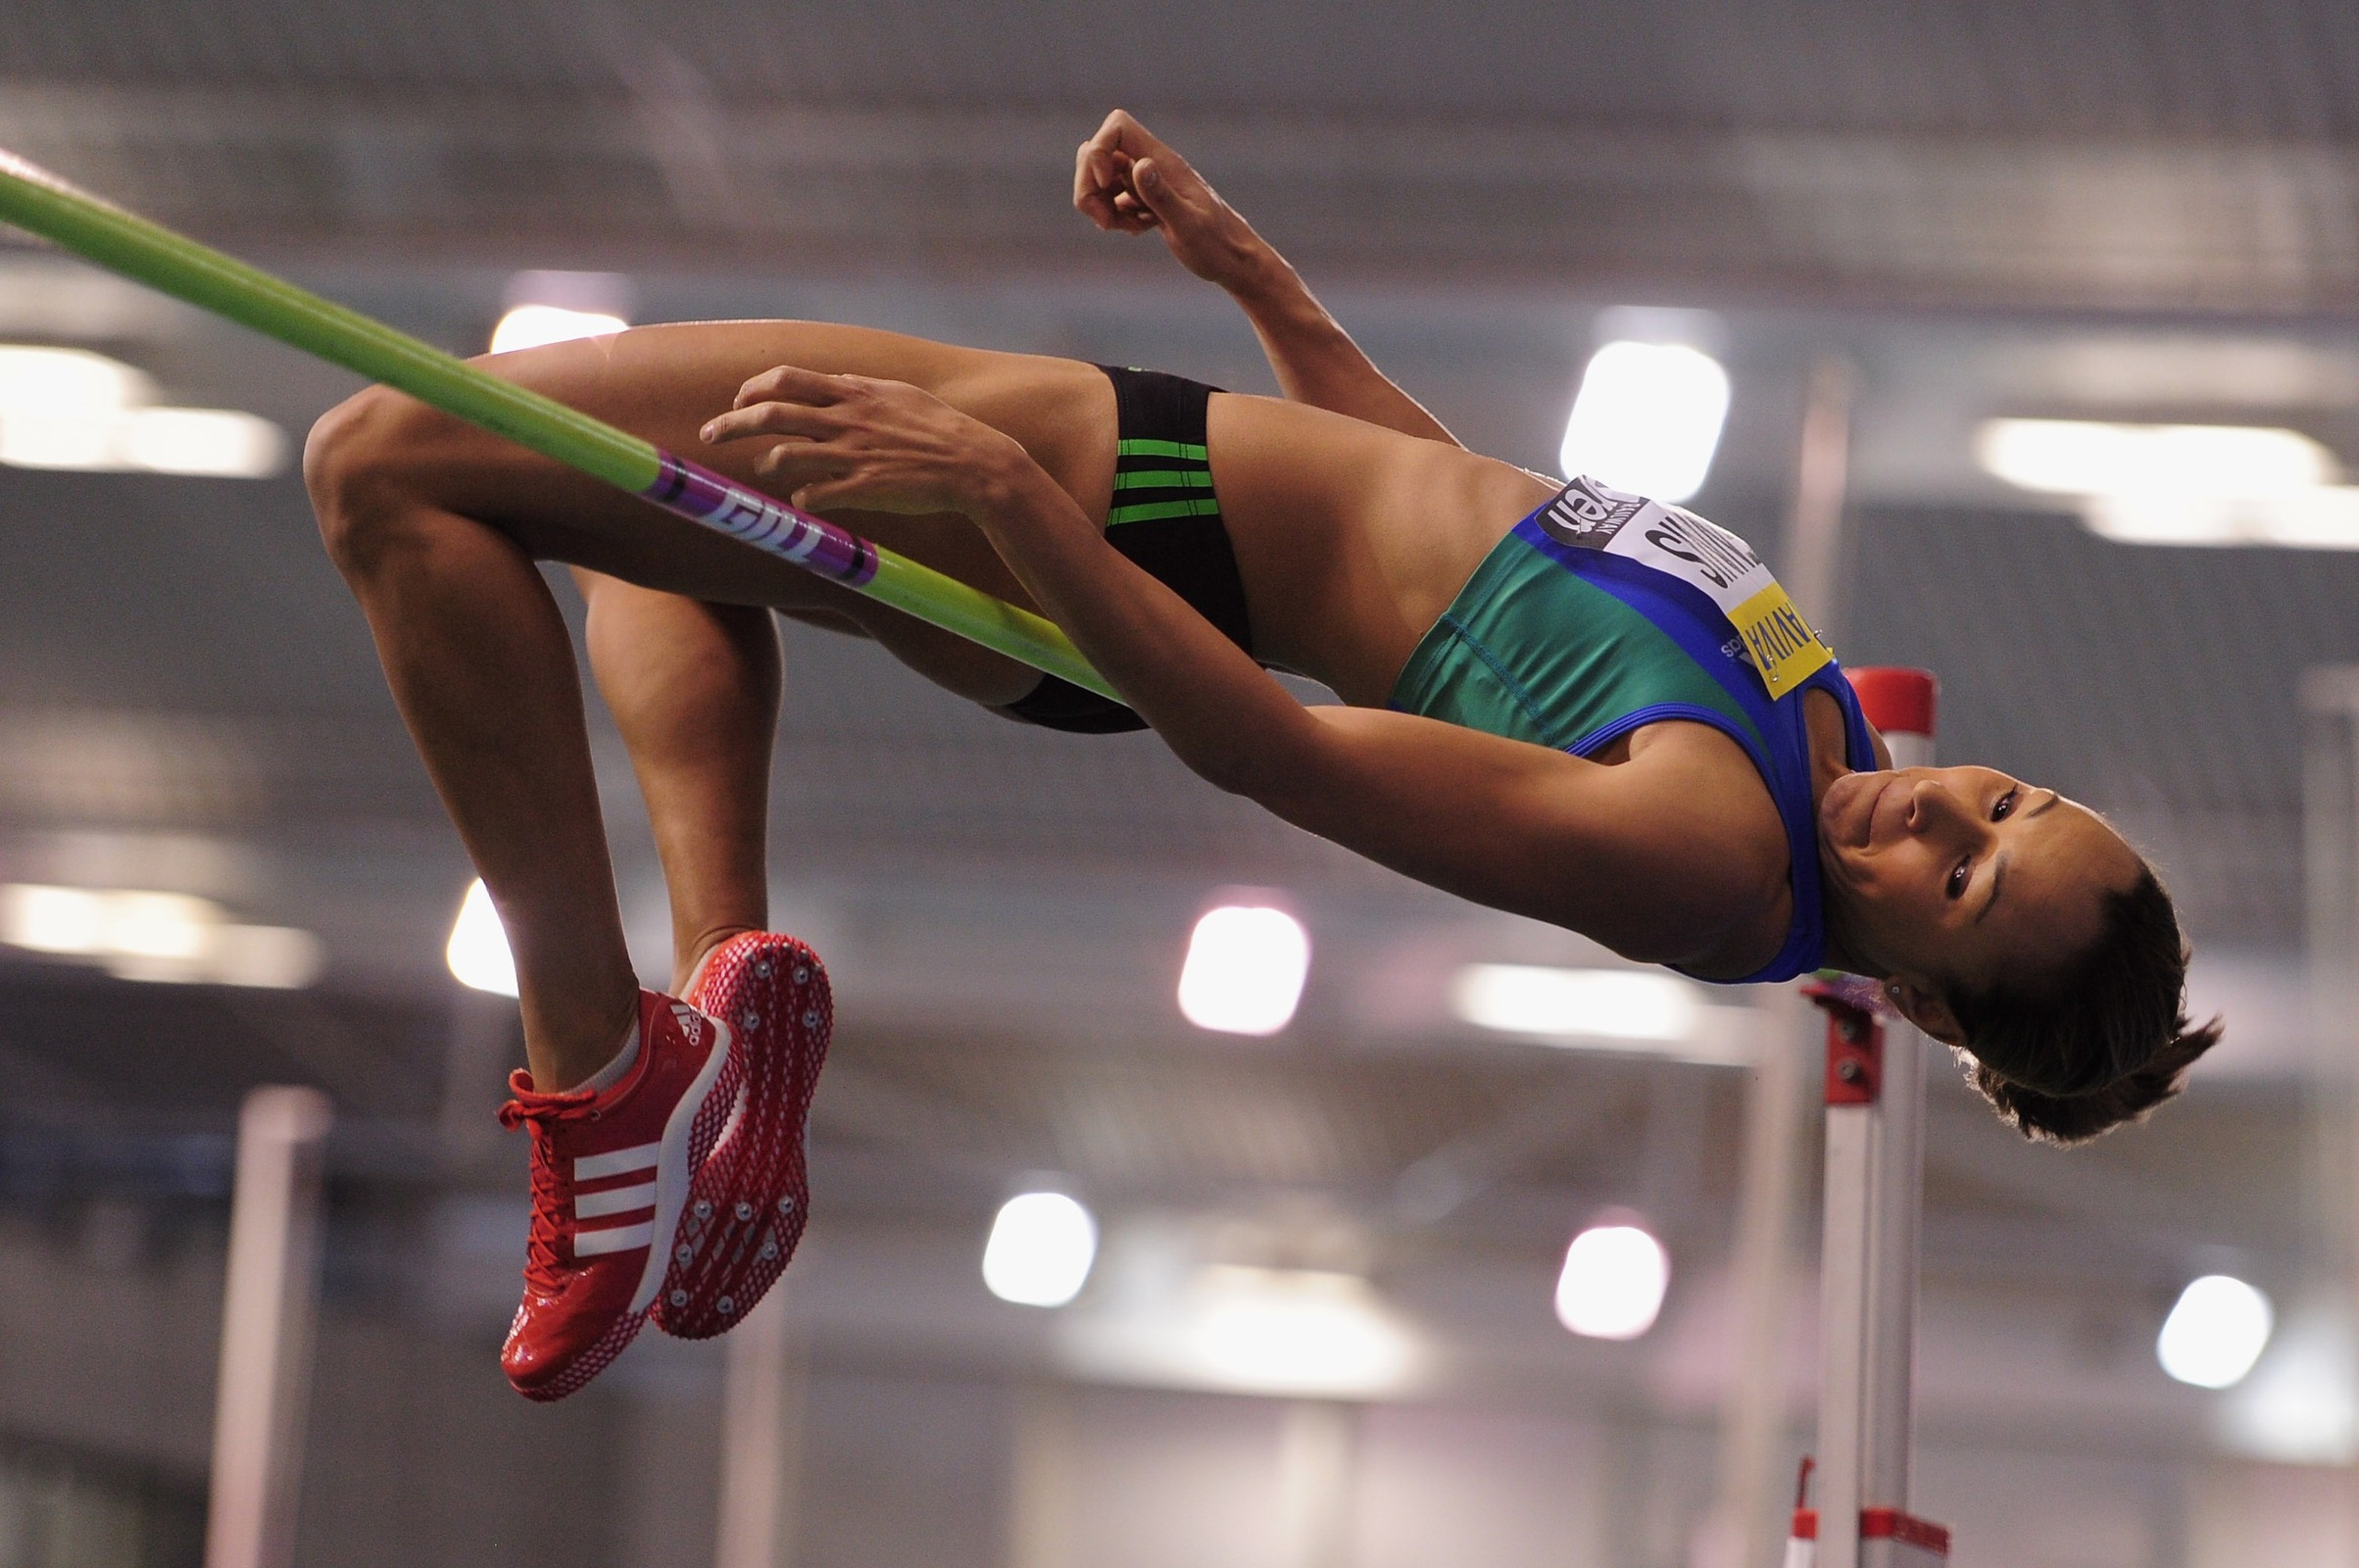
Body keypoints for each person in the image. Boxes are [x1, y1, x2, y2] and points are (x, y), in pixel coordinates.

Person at [302, 111, 2220, 1398]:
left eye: (1959, 881)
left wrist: (1002, 492)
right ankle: (719, 991)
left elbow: (1282, 755)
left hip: (1113, 520)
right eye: (2006, 802)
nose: (1939, 808)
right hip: (1135, 483)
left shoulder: (1713, 856)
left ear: (1920, 996)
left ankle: (601, 1065)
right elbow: (1467, 527)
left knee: (388, 467)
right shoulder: (1818, 739)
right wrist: (1256, 280)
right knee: (635, 514)